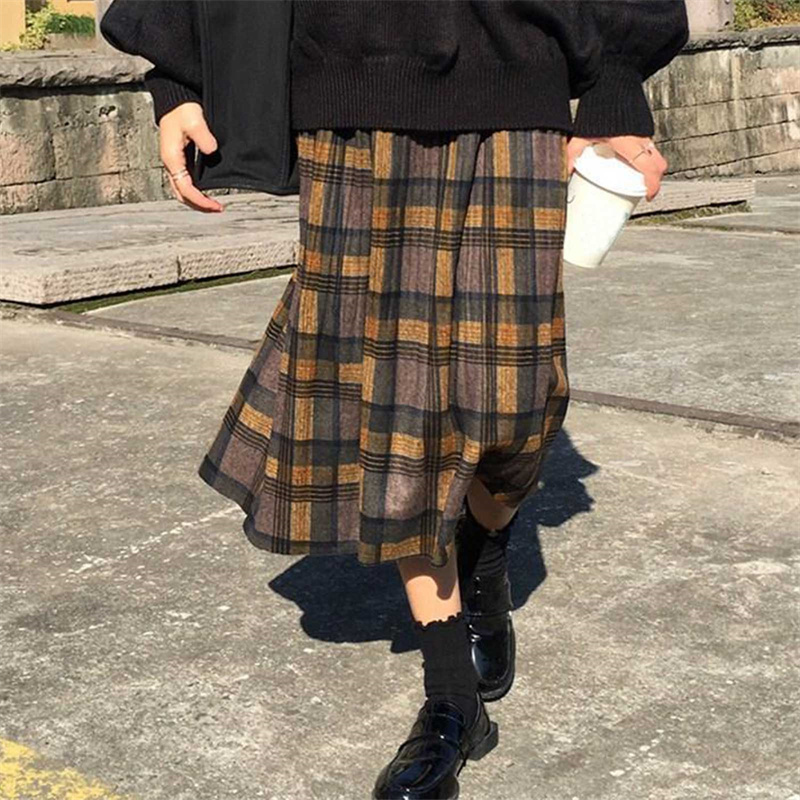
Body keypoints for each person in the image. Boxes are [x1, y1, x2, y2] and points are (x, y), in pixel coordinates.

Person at [102, 2, 689, 798]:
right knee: (399, 406)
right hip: (350, 96)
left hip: (519, 86)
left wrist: (615, 87)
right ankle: (452, 698)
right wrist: (177, 77)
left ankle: (484, 550)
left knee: (514, 404)